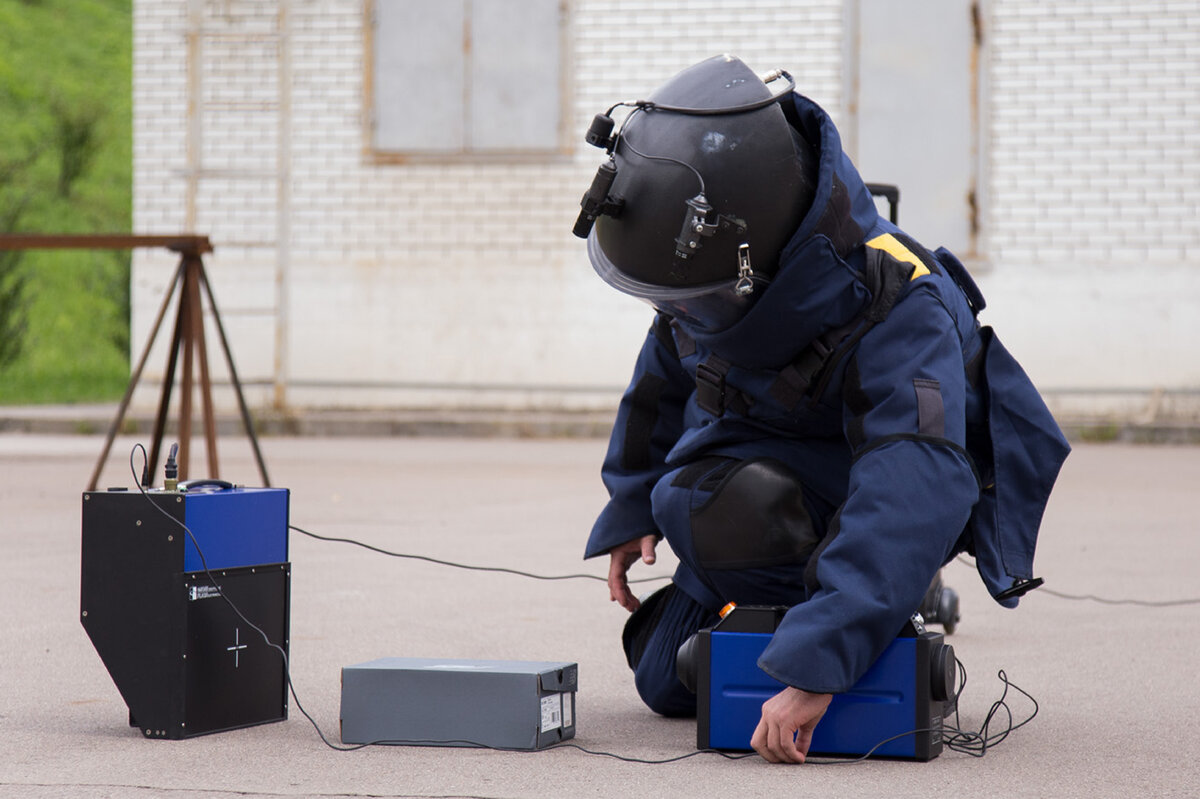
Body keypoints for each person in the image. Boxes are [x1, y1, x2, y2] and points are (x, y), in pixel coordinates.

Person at [572, 55, 1070, 764]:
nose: (677, 313)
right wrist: (630, 508)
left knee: (742, 536)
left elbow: (915, 477)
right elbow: (662, 378)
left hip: (877, 486)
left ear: (755, 263)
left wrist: (819, 663)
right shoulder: (711, 285)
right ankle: (865, 593)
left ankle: (878, 596)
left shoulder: (900, 303)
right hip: (782, 470)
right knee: (667, 675)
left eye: (685, 300)